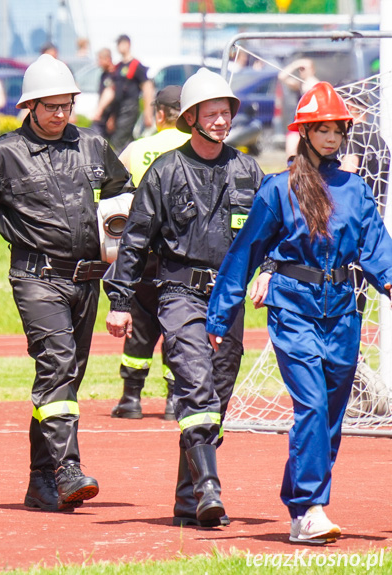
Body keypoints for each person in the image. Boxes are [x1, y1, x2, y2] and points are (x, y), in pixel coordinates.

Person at [207, 82, 392, 544]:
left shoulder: (355, 189)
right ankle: (310, 509)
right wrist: (219, 315)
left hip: (344, 314)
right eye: (321, 129)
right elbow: (244, 255)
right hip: (293, 310)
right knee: (310, 407)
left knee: (329, 419)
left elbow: (376, 250)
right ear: (304, 133)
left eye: (337, 130)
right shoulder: (278, 188)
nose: (330, 138)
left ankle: (298, 502)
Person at [0, 54, 131, 512]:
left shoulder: (94, 147)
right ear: (29, 106)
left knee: (65, 377)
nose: (59, 115)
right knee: (57, 365)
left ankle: (41, 481)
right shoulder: (2, 155)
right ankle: (68, 469)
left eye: (66, 106)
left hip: (87, 282)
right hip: (36, 279)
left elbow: (125, 203)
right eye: (50, 106)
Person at [104, 68, 264, 528]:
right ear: (190, 118)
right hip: (178, 292)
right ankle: (210, 489)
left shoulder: (247, 169)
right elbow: (134, 240)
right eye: (211, 113)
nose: (220, 120)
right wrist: (119, 301)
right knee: (194, 385)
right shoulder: (166, 170)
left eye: (225, 112)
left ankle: (187, 500)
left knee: (216, 396)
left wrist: (267, 272)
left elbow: (269, 232)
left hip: (228, 298)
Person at [109, 85, 190, 420]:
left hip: (143, 252)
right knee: (179, 325)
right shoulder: (195, 148)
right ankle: (174, 400)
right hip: (183, 253)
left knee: (140, 321)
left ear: (159, 114)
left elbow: (112, 193)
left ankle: (131, 398)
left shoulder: (138, 149)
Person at [104, 35, 155, 154]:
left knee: (118, 141)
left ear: (127, 44)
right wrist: (112, 116)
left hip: (129, 108)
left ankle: (117, 169)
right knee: (124, 141)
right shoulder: (118, 66)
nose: (118, 47)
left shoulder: (136, 65)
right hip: (118, 109)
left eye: (120, 43)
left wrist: (148, 113)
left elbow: (148, 88)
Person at [278, 58, 319, 158]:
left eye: (304, 68)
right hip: (298, 122)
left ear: (312, 70)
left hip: (312, 124)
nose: (302, 71)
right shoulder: (299, 84)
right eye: (300, 69)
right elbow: (281, 77)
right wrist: (294, 65)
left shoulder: (317, 85)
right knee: (291, 153)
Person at [90, 48, 116, 139]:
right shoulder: (103, 75)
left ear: (107, 59)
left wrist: (113, 118)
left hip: (111, 116)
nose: (98, 63)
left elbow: (117, 98)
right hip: (102, 115)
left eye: (100, 59)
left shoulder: (115, 75)